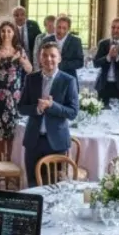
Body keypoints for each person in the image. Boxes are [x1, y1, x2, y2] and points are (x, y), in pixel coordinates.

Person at [17, 42, 79, 185]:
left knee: (55, 186)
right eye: (44, 55)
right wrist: (37, 109)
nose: (48, 59)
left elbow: (73, 112)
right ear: (40, 58)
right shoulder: (31, 79)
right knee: (33, 184)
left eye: (52, 55)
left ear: (59, 58)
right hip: (34, 140)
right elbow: (21, 108)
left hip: (57, 143)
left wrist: (52, 106)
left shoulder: (68, 81)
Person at [0, 21, 31, 162]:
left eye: (9, 31)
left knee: (11, 132)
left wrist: (21, 60)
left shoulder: (19, 49)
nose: (6, 34)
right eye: (3, 31)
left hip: (14, 97)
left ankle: (10, 161)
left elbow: (30, 69)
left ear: (14, 33)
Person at [93, 18, 119, 105]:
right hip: (104, 85)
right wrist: (108, 57)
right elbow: (95, 63)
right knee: (101, 112)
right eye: (113, 27)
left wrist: (118, 58)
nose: (115, 30)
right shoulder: (103, 44)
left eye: (118, 28)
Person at [42, 15, 85, 80]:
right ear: (55, 27)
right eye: (59, 27)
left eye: (64, 28)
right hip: (49, 77)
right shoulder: (46, 40)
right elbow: (41, 58)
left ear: (68, 29)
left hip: (69, 77)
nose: (61, 31)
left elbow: (80, 62)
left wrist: (60, 65)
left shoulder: (75, 41)